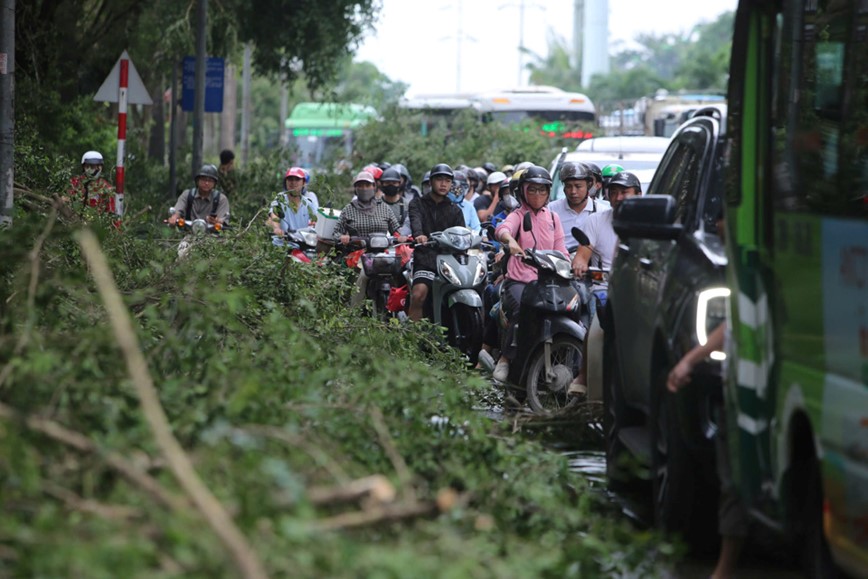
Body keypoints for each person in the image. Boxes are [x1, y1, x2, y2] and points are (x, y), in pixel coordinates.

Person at [667, 322, 746, 579]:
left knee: (735, 482)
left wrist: (689, 361)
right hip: (739, 391)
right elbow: (732, 325)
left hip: (752, 394)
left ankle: (724, 570)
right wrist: (690, 361)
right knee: (734, 482)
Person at [492, 165, 568, 382]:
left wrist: (568, 265)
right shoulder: (517, 215)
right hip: (519, 282)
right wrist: (511, 241)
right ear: (523, 191)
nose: (537, 195)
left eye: (542, 190)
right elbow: (502, 229)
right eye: (532, 190)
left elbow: (561, 249)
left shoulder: (553, 218)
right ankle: (505, 358)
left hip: (549, 281)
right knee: (525, 309)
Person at [334, 171, 405, 307]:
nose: (364, 189)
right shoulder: (349, 209)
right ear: (356, 188)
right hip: (357, 253)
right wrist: (343, 237)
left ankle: (399, 309)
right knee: (363, 274)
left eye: (367, 185)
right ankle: (354, 310)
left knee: (399, 272)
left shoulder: (383, 207)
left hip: (382, 253)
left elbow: (396, 229)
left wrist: (401, 236)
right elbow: (336, 233)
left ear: (374, 187)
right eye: (360, 185)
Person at [407, 163, 466, 322]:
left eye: (447, 181)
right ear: (430, 182)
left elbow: (462, 234)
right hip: (426, 259)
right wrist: (419, 235)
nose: (443, 184)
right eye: (439, 179)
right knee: (418, 294)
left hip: (450, 261)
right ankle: (413, 335)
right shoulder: (417, 204)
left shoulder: (455, 209)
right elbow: (415, 221)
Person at [571, 171, 641, 276]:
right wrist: (579, 265)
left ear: (638, 195)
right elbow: (581, 256)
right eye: (613, 192)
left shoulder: (649, 224)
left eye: (624, 192)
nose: (618, 198)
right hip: (601, 286)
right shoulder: (595, 221)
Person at [549, 162, 609, 253]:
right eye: (568, 186)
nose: (573, 191)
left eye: (578, 186)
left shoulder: (602, 211)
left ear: (588, 187)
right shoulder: (551, 210)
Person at [268, 167, 319, 239]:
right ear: (286, 182)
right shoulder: (280, 198)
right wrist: (276, 228)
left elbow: (316, 218)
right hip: (282, 243)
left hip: (303, 243)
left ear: (303, 183)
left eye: (297, 179)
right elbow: (274, 214)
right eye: (290, 179)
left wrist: (315, 223)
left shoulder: (309, 202)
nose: (293, 182)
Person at [379, 167, 412, 236]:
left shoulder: (407, 205)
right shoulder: (376, 204)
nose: (391, 185)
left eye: (394, 183)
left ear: (399, 184)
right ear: (382, 184)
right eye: (387, 183)